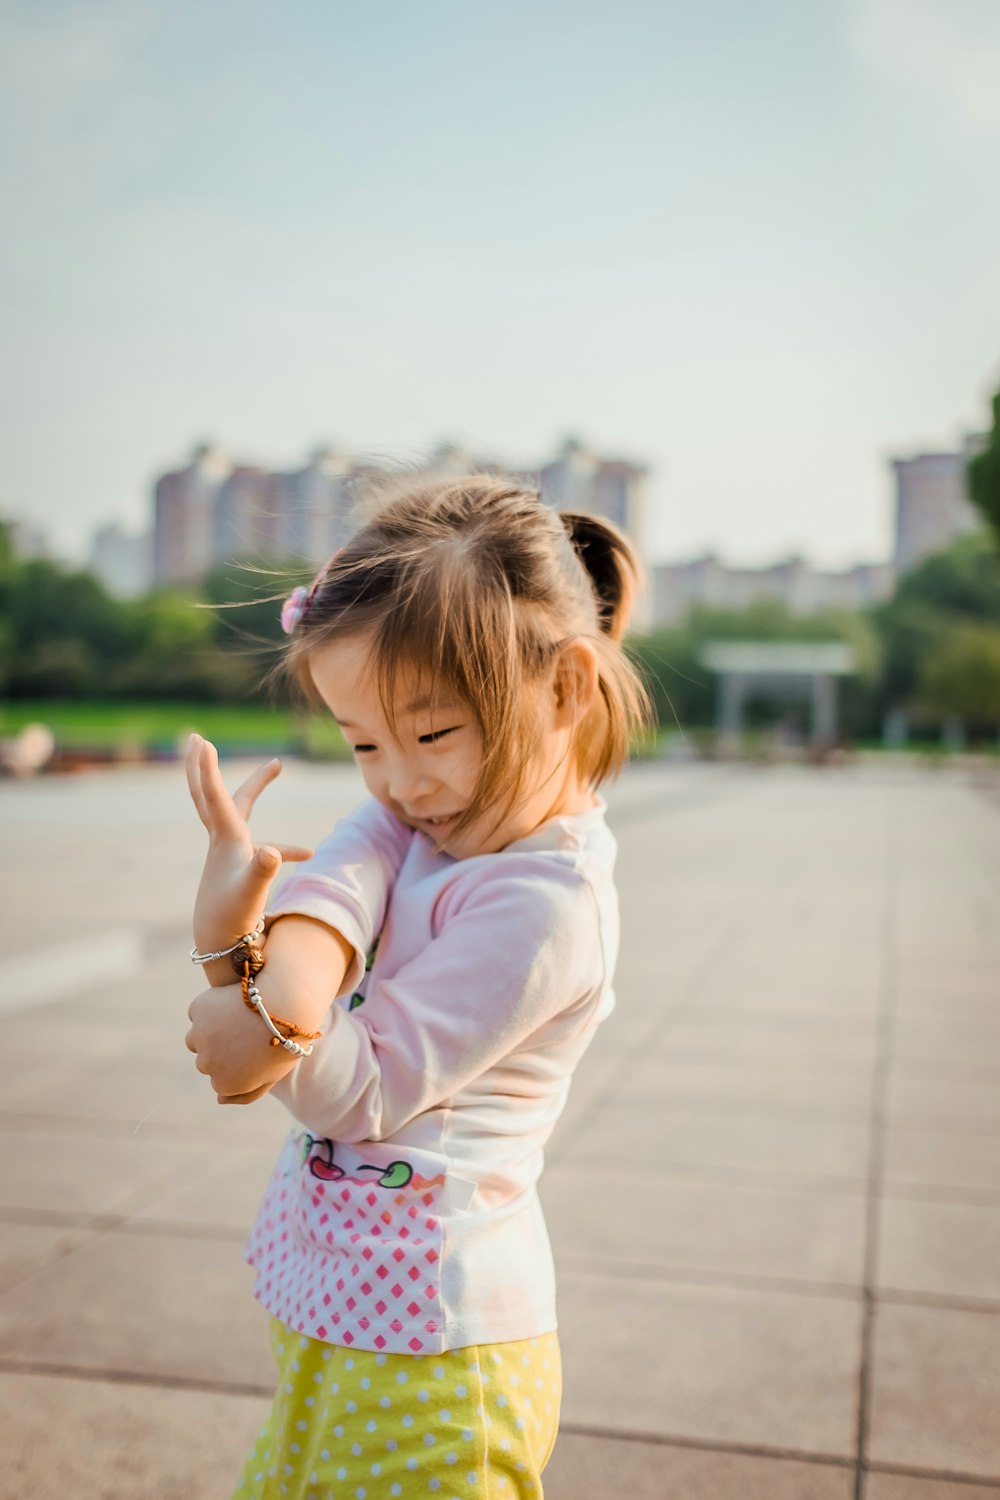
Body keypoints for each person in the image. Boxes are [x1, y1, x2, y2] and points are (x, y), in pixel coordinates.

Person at [184, 472, 651, 1499]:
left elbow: (358, 1086)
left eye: (432, 735)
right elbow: (341, 881)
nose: (398, 780)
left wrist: (240, 965)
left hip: (440, 1346)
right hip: (347, 1298)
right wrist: (257, 969)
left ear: (564, 689)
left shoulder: (543, 903)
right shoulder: (426, 819)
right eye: (362, 745)